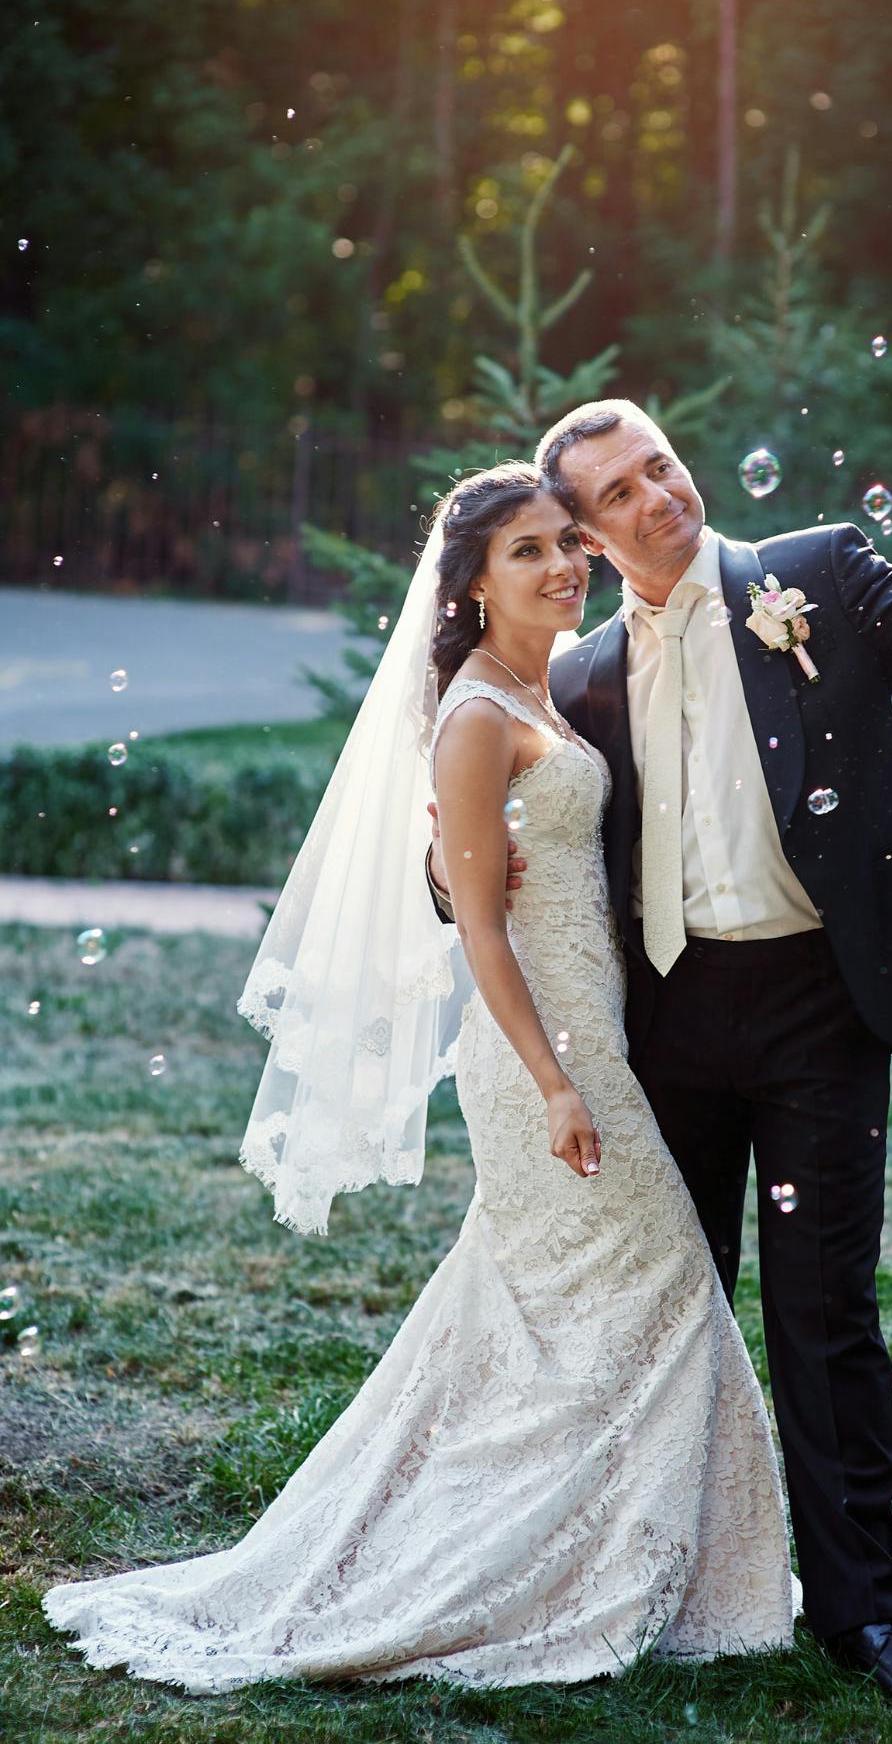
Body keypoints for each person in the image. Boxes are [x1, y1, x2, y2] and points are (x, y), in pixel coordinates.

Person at [41, 462, 798, 1695]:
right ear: (473, 583)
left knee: (576, 1311)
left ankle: (631, 1555)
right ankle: (567, 1567)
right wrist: (554, 1083)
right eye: (527, 551)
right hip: (541, 1054)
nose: (562, 565)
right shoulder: (477, 715)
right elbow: (481, 932)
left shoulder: (544, 687)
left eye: (567, 542)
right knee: (663, 1283)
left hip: (597, 1032)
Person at [428, 403, 892, 1707]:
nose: (657, 495)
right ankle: (660, 1576)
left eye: (660, 465)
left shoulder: (811, 575)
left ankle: (863, 1614)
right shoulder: (583, 675)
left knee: (825, 1312)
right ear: (588, 535)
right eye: (618, 493)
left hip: (821, 1004)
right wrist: (444, 867)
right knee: (667, 1309)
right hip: (667, 1019)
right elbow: (518, 839)